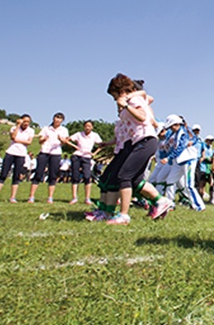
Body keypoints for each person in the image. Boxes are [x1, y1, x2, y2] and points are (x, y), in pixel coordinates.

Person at [87, 74, 174, 224]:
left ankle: (123, 215)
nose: (114, 100)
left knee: (123, 176)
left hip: (145, 141)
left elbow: (141, 116)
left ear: (120, 91)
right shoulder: (131, 99)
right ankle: (161, 202)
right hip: (137, 142)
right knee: (134, 180)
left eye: (114, 96)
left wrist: (126, 104)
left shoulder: (134, 100)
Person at [159, 114, 205, 211]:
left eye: (172, 126)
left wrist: (169, 158)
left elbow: (180, 147)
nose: (171, 128)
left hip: (188, 160)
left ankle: (199, 206)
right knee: (170, 181)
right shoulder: (175, 133)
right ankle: (170, 204)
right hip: (179, 161)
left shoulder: (184, 132)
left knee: (189, 185)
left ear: (176, 124)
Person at [0, 115, 35, 203]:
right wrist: (17, 126)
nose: (26, 123)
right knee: (3, 174)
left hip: (21, 154)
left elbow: (29, 142)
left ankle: (13, 197)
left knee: (16, 176)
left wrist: (18, 140)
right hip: (10, 153)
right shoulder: (14, 128)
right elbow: (13, 137)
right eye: (24, 121)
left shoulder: (31, 131)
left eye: (28, 122)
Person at [28, 112, 69, 203]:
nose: (57, 120)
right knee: (38, 173)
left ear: (62, 120)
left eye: (60, 118)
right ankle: (31, 196)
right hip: (44, 152)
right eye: (56, 117)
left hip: (56, 153)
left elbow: (65, 141)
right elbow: (40, 141)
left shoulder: (64, 130)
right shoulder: (46, 128)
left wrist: (61, 140)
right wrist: (43, 139)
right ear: (53, 118)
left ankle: (50, 197)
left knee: (53, 175)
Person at [65, 120, 102, 205]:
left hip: (87, 157)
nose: (87, 127)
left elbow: (101, 145)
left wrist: (94, 153)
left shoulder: (94, 135)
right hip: (77, 156)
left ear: (92, 127)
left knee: (87, 176)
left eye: (89, 126)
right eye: (86, 126)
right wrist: (75, 146)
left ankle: (87, 198)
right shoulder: (78, 134)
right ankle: (74, 197)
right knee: (75, 176)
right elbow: (67, 140)